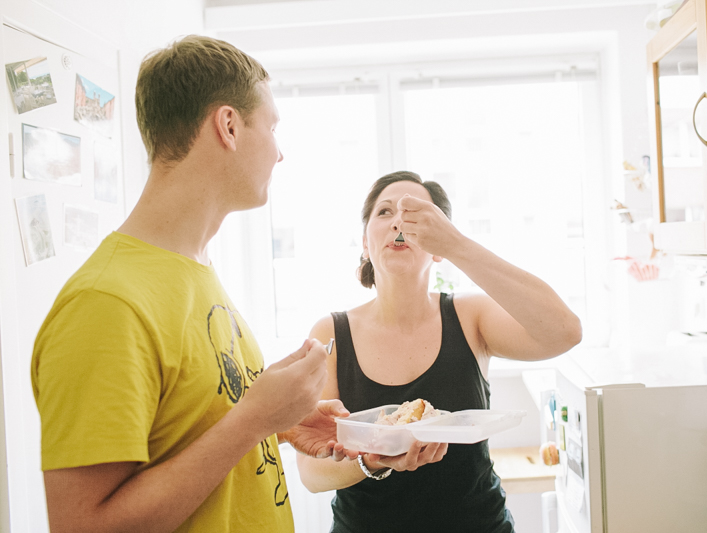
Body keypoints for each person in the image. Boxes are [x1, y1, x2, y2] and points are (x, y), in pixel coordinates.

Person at [30, 35, 355, 533]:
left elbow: (187, 428)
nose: (280, 153)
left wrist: (278, 423)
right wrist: (252, 420)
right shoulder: (107, 302)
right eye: (271, 127)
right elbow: (82, 526)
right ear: (228, 125)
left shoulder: (193, 267)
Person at [296, 170, 583, 532]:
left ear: (438, 245)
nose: (399, 221)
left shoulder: (470, 316)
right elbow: (311, 473)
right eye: (384, 212)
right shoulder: (330, 333)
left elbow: (565, 332)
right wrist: (373, 460)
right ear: (365, 243)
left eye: (417, 215)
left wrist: (457, 245)